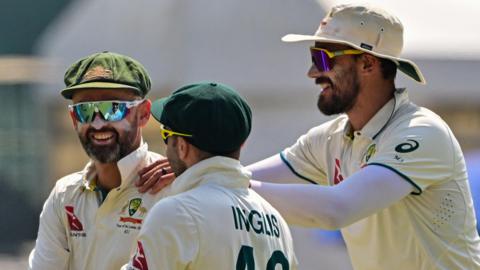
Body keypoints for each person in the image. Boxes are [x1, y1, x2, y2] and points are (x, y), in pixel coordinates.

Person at [245, 3, 480, 270]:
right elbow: (243, 178)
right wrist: (212, 178)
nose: (312, 73)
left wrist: (228, 182)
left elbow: (337, 209)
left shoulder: (422, 132)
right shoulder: (329, 139)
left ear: (367, 63)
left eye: (322, 58)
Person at [123, 82, 297, 270]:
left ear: (182, 146)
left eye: (167, 135)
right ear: (241, 144)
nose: (166, 147)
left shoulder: (177, 212)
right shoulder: (277, 221)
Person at [29, 52, 172, 270]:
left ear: (143, 114)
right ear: (73, 118)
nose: (97, 124)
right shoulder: (64, 195)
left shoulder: (173, 187)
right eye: (84, 111)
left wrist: (195, 173)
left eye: (112, 109)